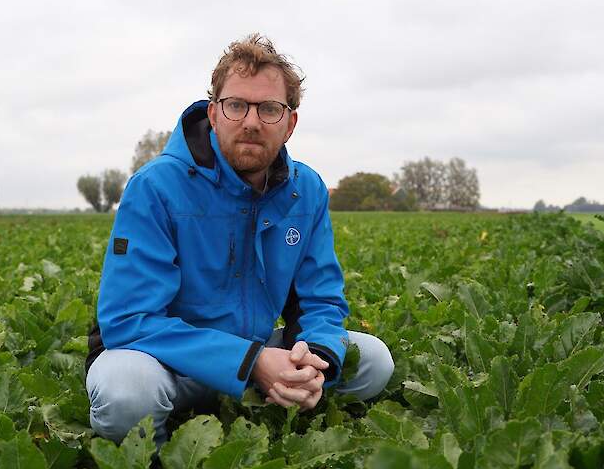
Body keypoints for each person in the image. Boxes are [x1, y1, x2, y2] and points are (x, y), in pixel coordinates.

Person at [85, 34, 394, 445]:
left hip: (258, 351)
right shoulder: (155, 187)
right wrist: (250, 363)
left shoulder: (308, 190)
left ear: (289, 123)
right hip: (169, 363)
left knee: (372, 360)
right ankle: (159, 462)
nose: (251, 121)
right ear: (214, 114)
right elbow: (128, 321)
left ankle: (278, 395)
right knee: (124, 390)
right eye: (236, 106)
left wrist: (310, 358)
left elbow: (320, 300)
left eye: (269, 109)